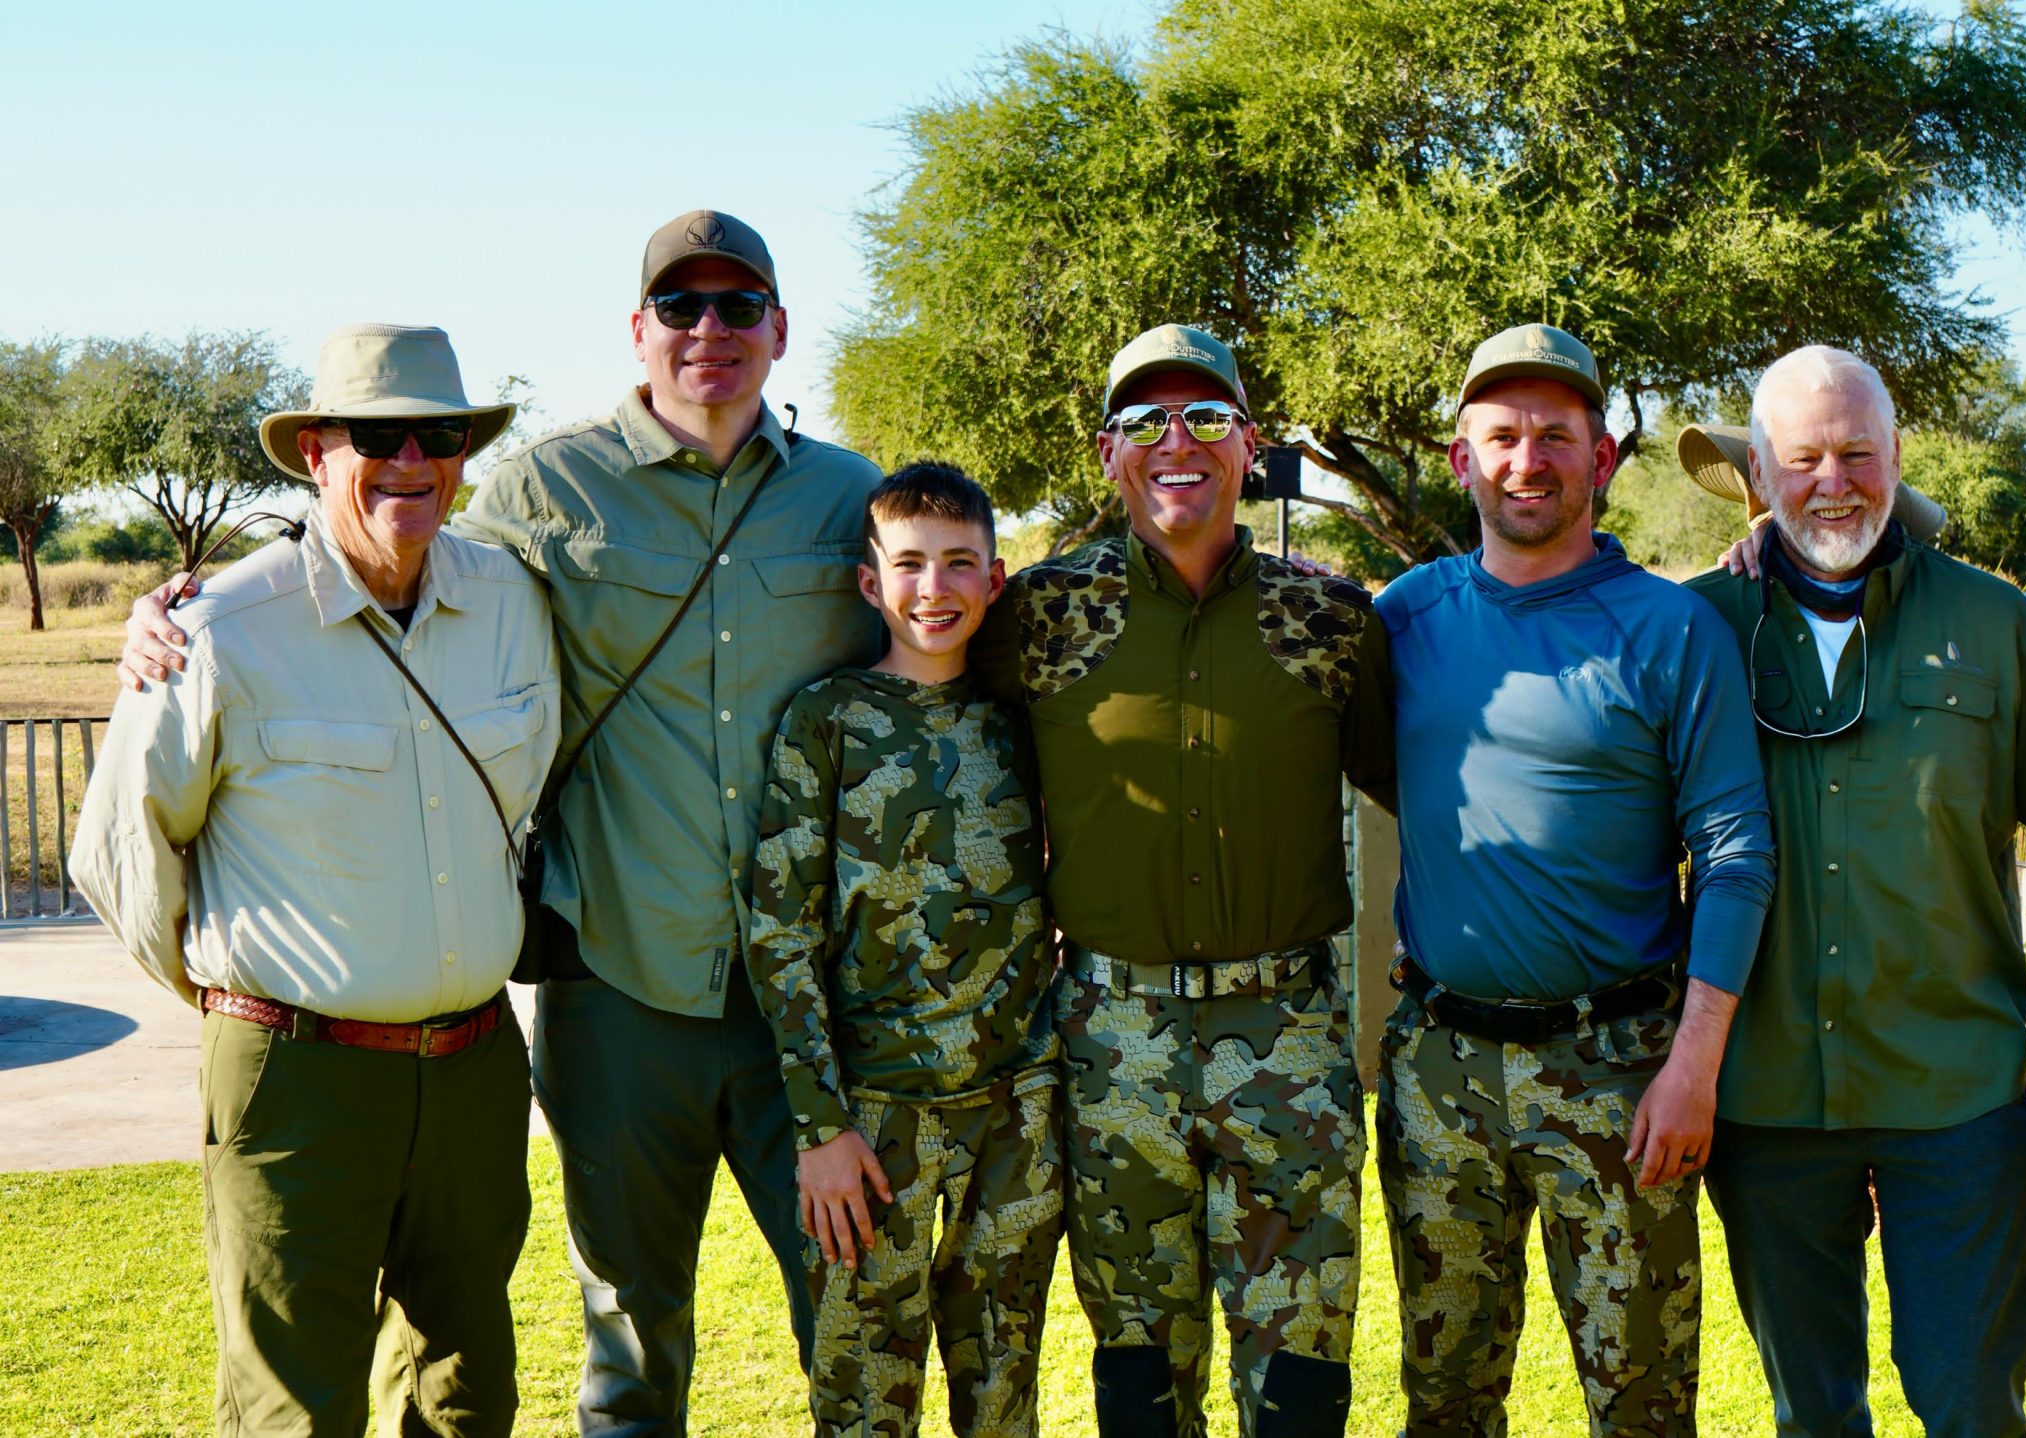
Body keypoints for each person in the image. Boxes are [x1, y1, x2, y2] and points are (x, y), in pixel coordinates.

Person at [118, 211, 886, 1433]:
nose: (710, 329)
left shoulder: (853, 497)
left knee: (852, 1318)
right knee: (630, 1334)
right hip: (617, 987)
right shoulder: (542, 487)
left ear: (780, 328)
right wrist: (186, 607)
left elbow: (948, 616)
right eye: (680, 305)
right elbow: (376, 553)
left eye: (738, 305)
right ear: (637, 329)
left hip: (809, 994)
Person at [73, 324, 557, 1436]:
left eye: (439, 434)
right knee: (294, 1406)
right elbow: (120, 852)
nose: (411, 461)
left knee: (467, 1392)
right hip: (296, 1078)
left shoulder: (516, 602)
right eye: (377, 435)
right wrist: (241, 1001)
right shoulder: (217, 632)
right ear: (315, 451)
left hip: (477, 1069)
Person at [967, 324, 1396, 1438]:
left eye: (1205, 417)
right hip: (1112, 1045)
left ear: (1248, 443)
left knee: (1299, 1390)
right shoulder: (1039, 615)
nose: (1177, 442)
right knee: (1139, 1388)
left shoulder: (1332, 619)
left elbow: (1417, 786)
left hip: (1288, 1041)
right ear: (1107, 452)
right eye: (1144, 421)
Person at [1374, 322, 1776, 1438]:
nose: (1528, 460)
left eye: (1556, 436)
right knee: (1444, 1402)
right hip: (1438, 1070)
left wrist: (1693, 1066)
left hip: (1620, 1072)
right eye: (1501, 436)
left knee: (1642, 1402)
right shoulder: (1404, 617)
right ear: (1460, 458)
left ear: (1601, 458)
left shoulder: (1671, 627)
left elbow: (1736, 851)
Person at [1685, 345, 2026, 1435]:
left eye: (1857, 453)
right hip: (1764, 1093)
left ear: (1898, 454)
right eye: (1802, 459)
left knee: (1971, 1404)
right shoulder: (1699, 625)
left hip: (1958, 1093)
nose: (1833, 482)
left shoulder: (1995, 623)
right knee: (1812, 1414)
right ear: (1758, 473)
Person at [745, 461, 1060, 1438]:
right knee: (863, 1403)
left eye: (960, 562)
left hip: (1016, 1112)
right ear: (869, 581)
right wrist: (818, 1128)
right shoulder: (827, 720)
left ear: (995, 580)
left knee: (1002, 1399)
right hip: (871, 1120)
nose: (935, 587)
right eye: (910, 563)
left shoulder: (1025, 720)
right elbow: (781, 932)